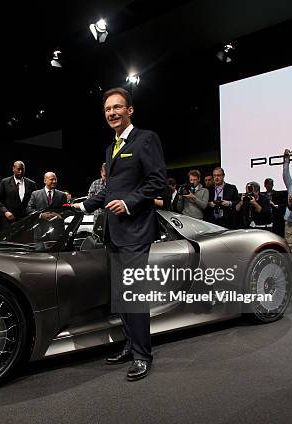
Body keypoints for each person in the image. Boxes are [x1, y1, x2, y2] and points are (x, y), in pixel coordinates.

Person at [73, 87, 166, 381]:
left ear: (130, 110)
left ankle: (143, 355)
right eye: (107, 109)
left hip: (136, 231)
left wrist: (129, 203)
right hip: (114, 233)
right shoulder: (110, 146)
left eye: (117, 107)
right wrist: (82, 205)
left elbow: (157, 183)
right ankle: (130, 345)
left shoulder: (146, 139)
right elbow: (112, 189)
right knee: (121, 295)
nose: (112, 113)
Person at [0, 161, 37, 228]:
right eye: (18, 169)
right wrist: (5, 212)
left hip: (27, 221)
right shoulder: (5, 182)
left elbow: (35, 201)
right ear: (13, 169)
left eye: (22, 169)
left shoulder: (31, 184)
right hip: (9, 221)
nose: (20, 171)